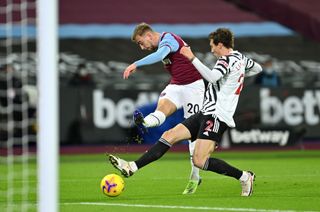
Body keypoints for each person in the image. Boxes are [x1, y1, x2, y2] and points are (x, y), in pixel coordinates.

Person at [109, 28, 262, 196]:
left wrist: (192, 57)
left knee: (199, 160)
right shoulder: (241, 59)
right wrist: (235, 79)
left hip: (217, 115)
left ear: (220, 44)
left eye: (212, 46)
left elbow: (211, 77)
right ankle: (132, 167)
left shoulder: (225, 61)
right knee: (169, 135)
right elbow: (258, 69)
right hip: (206, 111)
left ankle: (244, 177)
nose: (211, 50)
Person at [122, 22, 205, 194]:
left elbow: (161, 54)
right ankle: (146, 122)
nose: (142, 47)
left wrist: (136, 63)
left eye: (141, 42)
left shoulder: (170, 39)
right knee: (161, 109)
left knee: (193, 135)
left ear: (149, 35)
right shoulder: (161, 43)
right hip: (176, 85)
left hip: (194, 87)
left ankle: (195, 176)